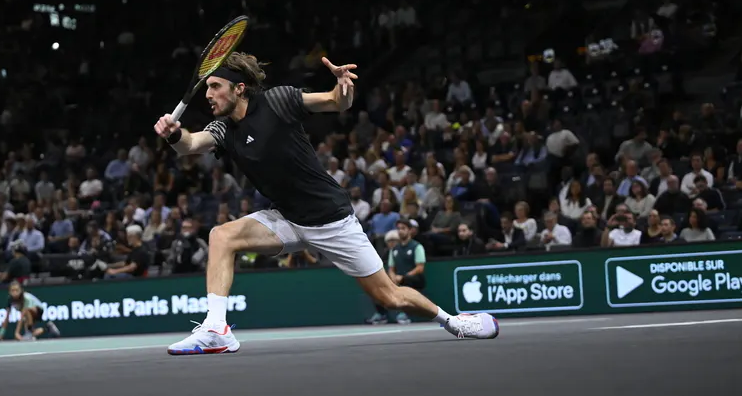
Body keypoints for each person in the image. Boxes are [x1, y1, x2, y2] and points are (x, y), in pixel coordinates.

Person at [153, 53, 498, 354]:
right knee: (222, 236)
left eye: (215, 86)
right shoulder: (224, 129)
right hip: (287, 218)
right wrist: (173, 133)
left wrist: (343, 87)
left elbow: (335, 102)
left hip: (331, 219)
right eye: (208, 88)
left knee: (390, 297)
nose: (209, 95)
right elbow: (191, 143)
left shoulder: (278, 100)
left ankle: (453, 321)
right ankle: (217, 331)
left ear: (239, 88)